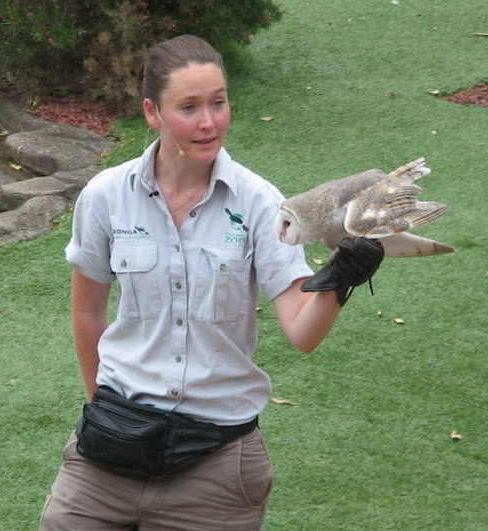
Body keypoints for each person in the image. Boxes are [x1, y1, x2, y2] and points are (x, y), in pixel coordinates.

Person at [40, 35, 383, 531]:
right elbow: (87, 311)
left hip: (216, 467)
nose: (209, 122)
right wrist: (102, 406)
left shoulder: (261, 203)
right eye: (189, 107)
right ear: (152, 113)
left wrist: (338, 278)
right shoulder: (106, 196)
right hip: (108, 455)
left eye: (218, 103)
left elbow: (302, 333)